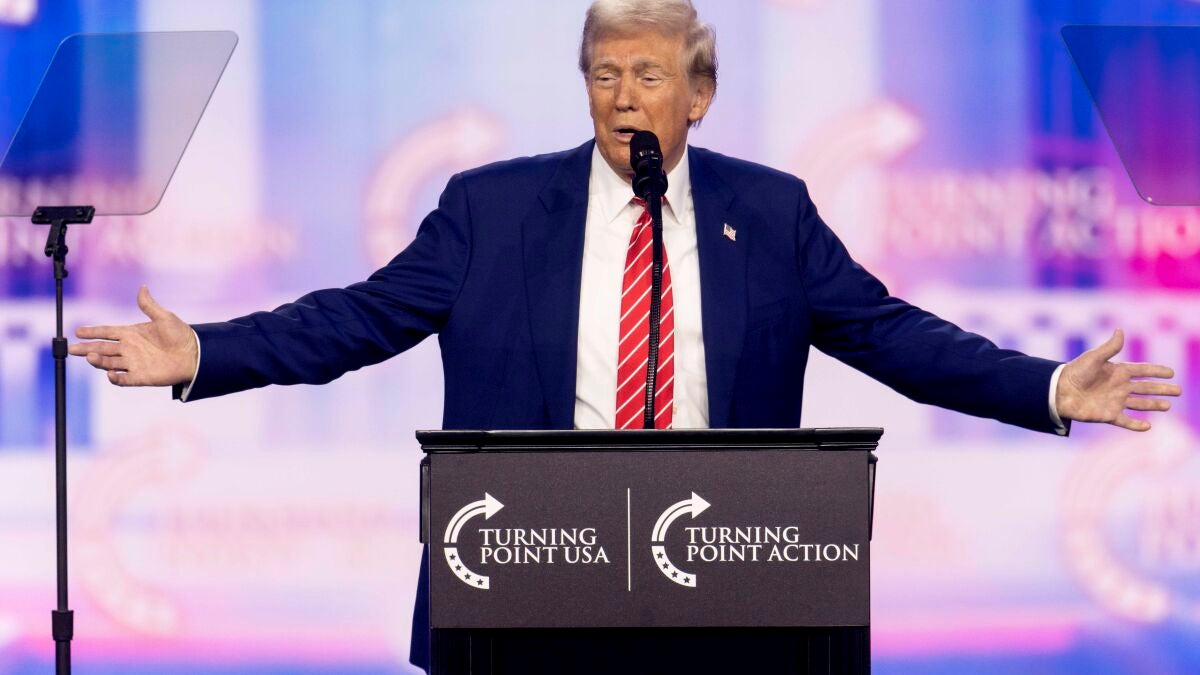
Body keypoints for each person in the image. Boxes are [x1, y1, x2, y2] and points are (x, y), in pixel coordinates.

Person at [68, 0, 1181, 670]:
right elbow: (359, 317)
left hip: (731, 588)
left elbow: (892, 334)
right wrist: (206, 351)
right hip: (530, 585)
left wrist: (1046, 388)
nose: (621, 97)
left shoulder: (772, 212)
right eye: (604, 75)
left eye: (648, 75)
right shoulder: (493, 209)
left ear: (700, 94)